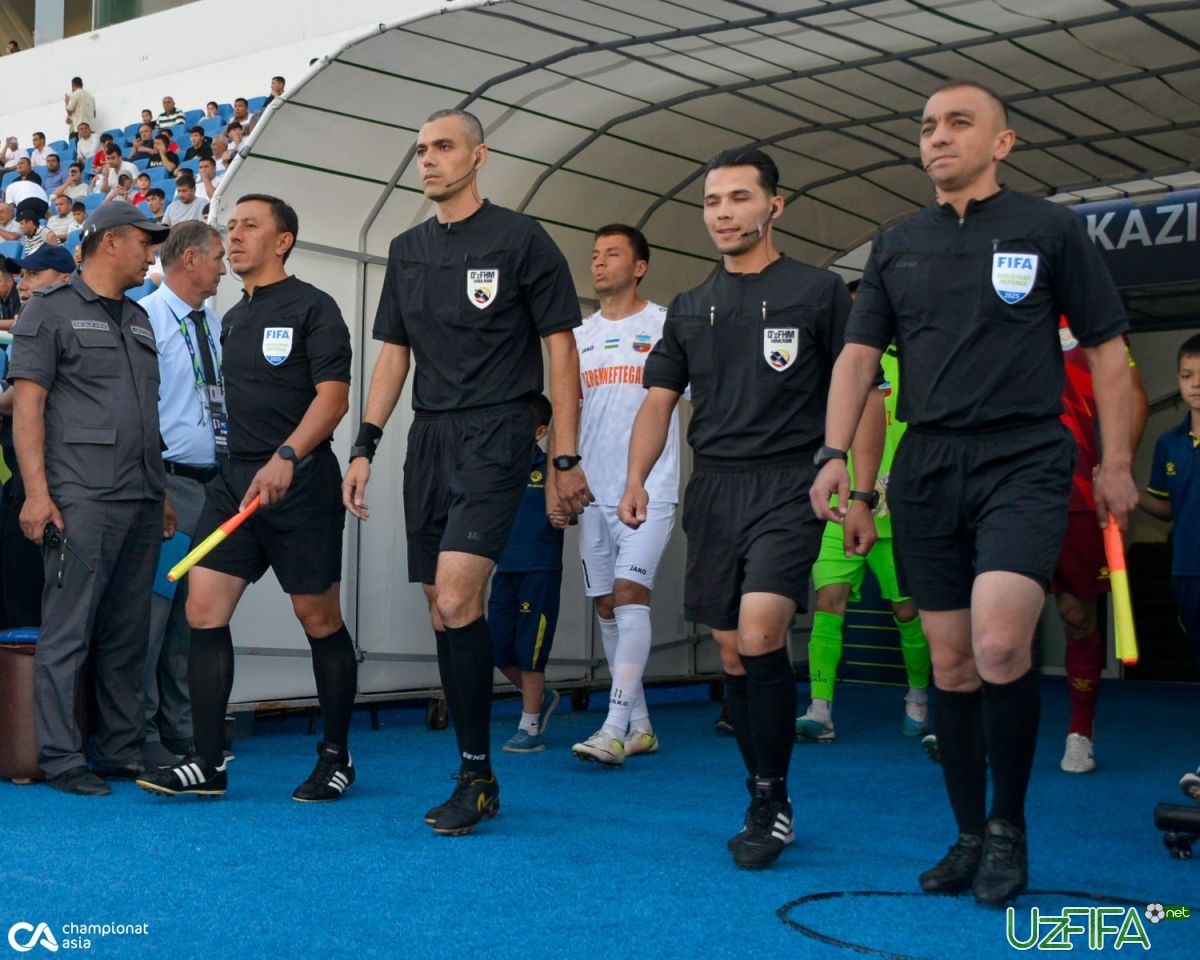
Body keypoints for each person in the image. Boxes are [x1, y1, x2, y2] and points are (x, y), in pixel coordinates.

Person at [811, 80, 1137, 905]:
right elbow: (858, 360)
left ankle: (1008, 829)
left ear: (1002, 142)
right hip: (927, 466)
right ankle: (966, 834)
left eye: (960, 123)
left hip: (1024, 457)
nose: (939, 136)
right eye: (928, 125)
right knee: (953, 664)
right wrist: (836, 459)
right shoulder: (895, 245)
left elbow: (1107, 349)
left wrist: (1116, 461)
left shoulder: (1049, 228)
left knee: (998, 646)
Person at [618, 146, 882, 870]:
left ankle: (772, 802)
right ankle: (761, 787)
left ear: (774, 206)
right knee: (733, 648)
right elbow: (658, 403)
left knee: (763, 631)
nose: (724, 213)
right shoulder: (688, 305)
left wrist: (861, 491)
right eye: (713, 201)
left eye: (739, 198)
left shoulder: (817, 292)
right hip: (715, 488)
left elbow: (865, 396)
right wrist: (636, 478)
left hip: (793, 484)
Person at [342, 108, 590, 837]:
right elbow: (394, 354)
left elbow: (561, 350)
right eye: (421, 149)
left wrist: (563, 454)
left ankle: (476, 776)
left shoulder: (521, 239)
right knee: (443, 609)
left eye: (443, 147)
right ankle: (474, 767)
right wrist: (364, 445)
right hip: (429, 436)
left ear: (479, 156)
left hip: (500, 427)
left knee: (456, 597)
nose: (428, 159)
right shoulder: (407, 248)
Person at [136, 194, 357, 802]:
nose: (233, 236)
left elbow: (333, 397)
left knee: (318, 618)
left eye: (249, 226)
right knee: (203, 611)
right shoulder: (229, 318)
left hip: (299, 485)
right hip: (234, 487)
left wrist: (287, 456)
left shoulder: (314, 307)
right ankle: (208, 762)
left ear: (283, 241)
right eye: (231, 226)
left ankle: (336, 756)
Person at [9, 203, 171, 796]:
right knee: (69, 630)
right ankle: (61, 757)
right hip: (81, 496)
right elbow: (28, 408)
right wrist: (36, 495)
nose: (151, 253)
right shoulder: (48, 310)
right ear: (110, 243)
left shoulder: (140, 318)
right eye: (145, 242)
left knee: (129, 632)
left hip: (142, 496)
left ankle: (121, 749)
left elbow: (146, 414)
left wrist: (161, 491)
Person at [570, 224, 679, 767]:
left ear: (639, 267)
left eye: (612, 253)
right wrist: (562, 476)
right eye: (595, 254)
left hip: (650, 489)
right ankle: (640, 727)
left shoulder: (666, 325)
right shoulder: (579, 335)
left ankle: (613, 727)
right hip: (592, 492)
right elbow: (568, 411)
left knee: (630, 594)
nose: (599, 262)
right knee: (607, 605)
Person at [796, 332, 931, 743]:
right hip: (840, 508)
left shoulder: (914, 360)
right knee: (828, 601)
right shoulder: (835, 363)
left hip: (897, 510)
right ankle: (820, 709)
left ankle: (918, 696)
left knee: (907, 611)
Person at [137, 221, 226, 767]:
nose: (224, 267)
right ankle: (140, 732)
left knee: (192, 617)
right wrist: (157, 488)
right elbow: (141, 410)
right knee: (151, 617)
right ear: (190, 259)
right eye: (217, 256)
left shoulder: (211, 321)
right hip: (169, 484)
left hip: (213, 485)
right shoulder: (146, 319)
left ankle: (182, 728)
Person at [1050, 318, 1147, 774]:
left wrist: (1116, 466)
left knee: (1076, 615)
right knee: (1001, 613)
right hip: (1008, 491)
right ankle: (986, 726)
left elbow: (1133, 394)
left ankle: (1080, 730)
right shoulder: (996, 304)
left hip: (1077, 493)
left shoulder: (1088, 316)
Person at [1138, 334, 1200, 804]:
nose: (1195, 385)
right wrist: (1128, 492)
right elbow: (1165, 508)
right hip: (1187, 569)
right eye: (1187, 375)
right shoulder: (1169, 443)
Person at [489, 394, 566, 753]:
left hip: (540, 570)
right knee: (496, 647)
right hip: (503, 568)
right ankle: (540, 696)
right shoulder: (497, 468)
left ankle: (530, 725)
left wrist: (566, 515)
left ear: (539, 432)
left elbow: (571, 508)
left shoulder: (552, 470)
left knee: (529, 652)